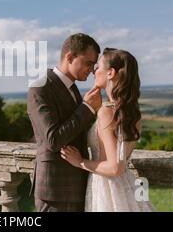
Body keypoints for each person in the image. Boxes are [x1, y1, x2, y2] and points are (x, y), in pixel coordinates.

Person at [60, 48, 155, 212]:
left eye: (97, 67)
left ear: (110, 73)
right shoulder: (132, 113)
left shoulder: (107, 112)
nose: (93, 71)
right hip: (126, 183)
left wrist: (79, 161)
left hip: (108, 188)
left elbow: (114, 167)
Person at [27, 33, 102, 212]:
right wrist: (87, 109)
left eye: (94, 65)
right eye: (89, 63)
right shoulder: (41, 87)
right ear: (70, 57)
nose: (92, 70)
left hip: (77, 184)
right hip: (55, 190)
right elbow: (53, 139)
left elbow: (78, 130)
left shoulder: (72, 88)